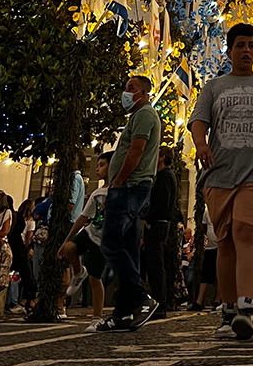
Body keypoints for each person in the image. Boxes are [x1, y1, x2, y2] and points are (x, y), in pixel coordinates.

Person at [189, 22, 253, 342]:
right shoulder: (214, 87)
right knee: (225, 241)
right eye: (240, 45)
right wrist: (201, 144)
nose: (246, 51)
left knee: (246, 229)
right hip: (219, 173)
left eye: (251, 45)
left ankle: (247, 306)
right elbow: (199, 121)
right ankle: (228, 310)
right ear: (229, 51)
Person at [97, 73, 162, 332]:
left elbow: (136, 150)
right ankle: (123, 312)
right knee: (128, 248)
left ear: (144, 93)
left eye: (131, 88)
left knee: (111, 242)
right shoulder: (138, 116)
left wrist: (118, 181)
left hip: (130, 186)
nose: (126, 92)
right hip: (131, 186)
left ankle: (140, 296)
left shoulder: (145, 114)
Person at [59, 153, 110, 330]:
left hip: (102, 240)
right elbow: (82, 218)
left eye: (102, 165)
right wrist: (66, 240)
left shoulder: (117, 192)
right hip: (90, 232)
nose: (97, 169)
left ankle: (97, 316)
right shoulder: (97, 193)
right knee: (70, 247)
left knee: (95, 279)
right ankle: (79, 272)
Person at [144, 146, 178, 318]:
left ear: (162, 157)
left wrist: (149, 220)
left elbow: (162, 202)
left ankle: (159, 303)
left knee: (155, 265)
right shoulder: (166, 176)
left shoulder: (164, 176)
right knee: (154, 264)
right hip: (160, 223)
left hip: (157, 224)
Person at [8, 199, 36, 316]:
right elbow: (28, 238)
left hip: (13, 246)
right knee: (24, 275)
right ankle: (22, 300)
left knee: (13, 274)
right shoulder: (31, 221)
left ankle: (14, 300)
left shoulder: (15, 217)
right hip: (21, 249)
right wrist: (28, 248)